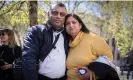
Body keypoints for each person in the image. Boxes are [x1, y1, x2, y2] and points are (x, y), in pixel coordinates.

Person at [22, 2, 69, 80]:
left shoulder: (66, 34)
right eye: (55, 13)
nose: (58, 16)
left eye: (62, 14)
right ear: (48, 14)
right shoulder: (36, 31)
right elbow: (28, 60)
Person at [64, 14, 113, 80]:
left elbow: (108, 57)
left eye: (74, 22)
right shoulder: (68, 44)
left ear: (80, 25)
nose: (71, 25)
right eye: (67, 23)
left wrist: (93, 73)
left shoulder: (92, 38)